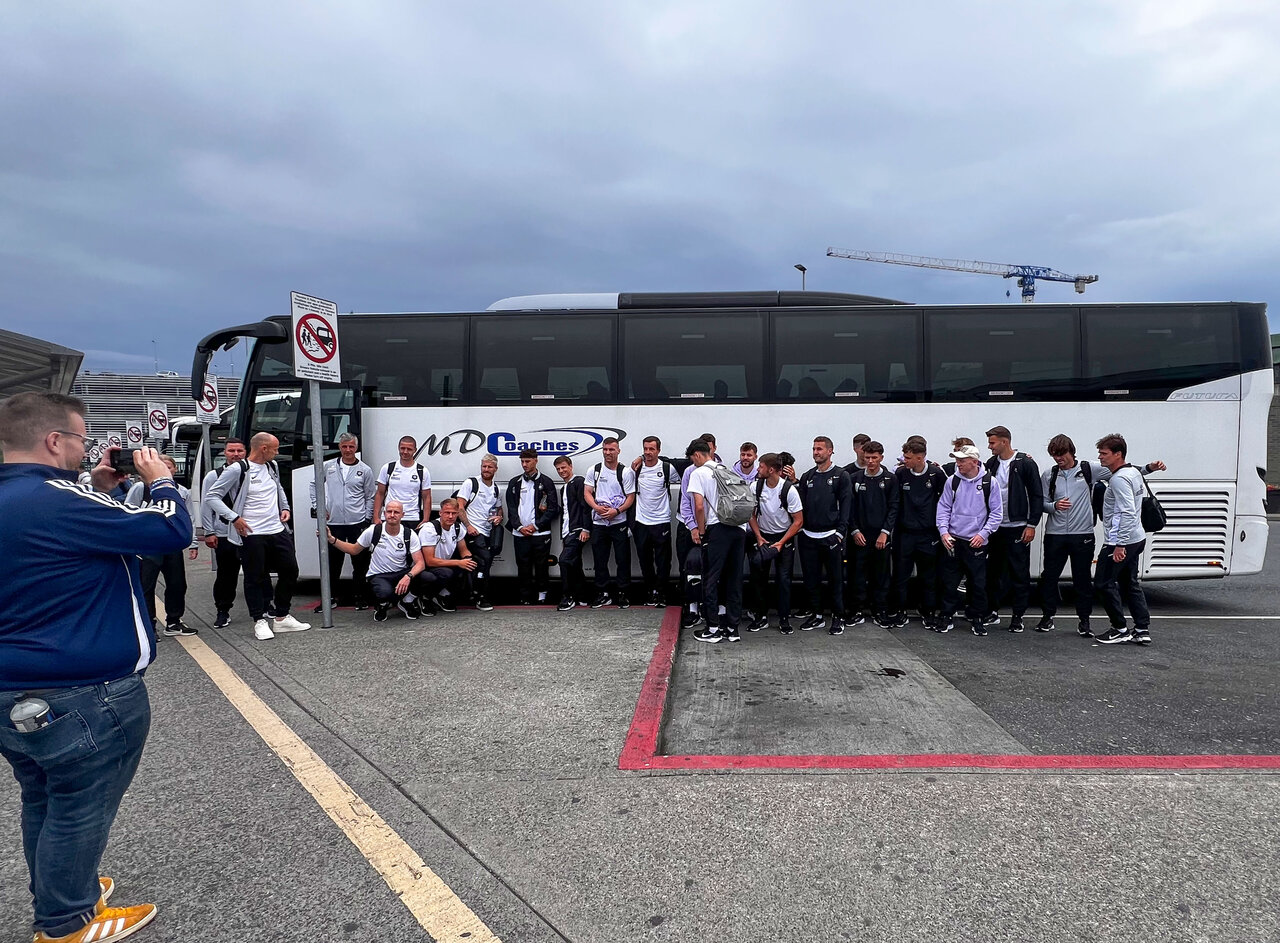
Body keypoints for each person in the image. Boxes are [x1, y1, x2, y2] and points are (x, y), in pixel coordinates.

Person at [0, 391, 192, 942]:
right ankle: (65, 921)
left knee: (43, 796)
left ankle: (63, 890)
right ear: (53, 440)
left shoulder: (31, 499)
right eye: (81, 439)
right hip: (81, 690)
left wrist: (99, 489)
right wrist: (161, 481)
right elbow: (169, 531)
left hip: (13, 687)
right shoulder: (59, 499)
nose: (85, 451)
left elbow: (55, 544)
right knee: (81, 806)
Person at [1038, 434, 1167, 636]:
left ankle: (1085, 621)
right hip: (1055, 533)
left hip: (1083, 533)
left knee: (1083, 580)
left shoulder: (1089, 469)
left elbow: (1127, 470)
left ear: (1071, 452)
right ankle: (1047, 617)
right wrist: (1054, 506)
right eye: (1054, 455)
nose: (1058, 459)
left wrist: (1149, 468)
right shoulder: (1049, 474)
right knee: (1049, 577)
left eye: (1061, 454)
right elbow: (1041, 502)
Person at [204, 432, 311, 641]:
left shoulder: (272, 466)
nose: (277, 453)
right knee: (255, 576)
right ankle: (259, 620)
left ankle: (282, 616)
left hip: (276, 529)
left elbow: (277, 488)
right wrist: (234, 518)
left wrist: (285, 507)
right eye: (275, 449)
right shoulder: (238, 469)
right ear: (264, 448)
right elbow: (212, 497)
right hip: (252, 532)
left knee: (290, 570)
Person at [1092, 434, 1157, 645]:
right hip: (1137, 537)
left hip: (1120, 541)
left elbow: (1128, 512)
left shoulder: (1118, 479)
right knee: (1129, 583)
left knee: (1103, 583)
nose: (1100, 457)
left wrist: (1120, 544)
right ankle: (1141, 629)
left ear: (1118, 454)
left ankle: (1119, 628)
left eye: (1104, 453)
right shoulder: (1132, 472)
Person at [936, 444, 1003, 635]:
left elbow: (996, 513)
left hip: (976, 541)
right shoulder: (952, 481)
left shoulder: (990, 482)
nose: (958, 464)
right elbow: (943, 508)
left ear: (974, 462)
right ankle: (946, 615)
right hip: (954, 539)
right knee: (949, 581)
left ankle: (977, 617)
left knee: (977, 583)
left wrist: (983, 534)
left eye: (962, 460)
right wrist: (944, 532)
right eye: (957, 460)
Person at [983, 425, 1044, 633]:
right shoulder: (991, 463)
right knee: (993, 572)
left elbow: (1036, 495)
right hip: (995, 527)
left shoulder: (1025, 463)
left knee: (1019, 573)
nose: (990, 447)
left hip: (1017, 527)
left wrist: (1032, 524)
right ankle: (992, 611)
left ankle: (1018, 616)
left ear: (1005, 442)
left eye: (992, 443)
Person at [126, 454, 195, 637]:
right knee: (146, 586)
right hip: (148, 546)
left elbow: (189, 517)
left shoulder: (182, 491)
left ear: (175, 469)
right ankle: (149, 625)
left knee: (177, 584)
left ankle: (174, 621)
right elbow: (128, 510)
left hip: (171, 544)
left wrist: (193, 542)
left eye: (169, 467)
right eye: (161, 465)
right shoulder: (141, 487)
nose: (165, 470)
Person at [328, 500, 426, 622]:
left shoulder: (409, 534)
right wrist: (332, 539)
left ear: (403, 515)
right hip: (379, 575)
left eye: (396, 512)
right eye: (389, 511)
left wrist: (408, 576)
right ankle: (382, 604)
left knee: (426, 576)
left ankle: (407, 601)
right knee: (384, 592)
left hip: (400, 573)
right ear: (384, 514)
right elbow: (354, 550)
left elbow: (420, 563)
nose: (392, 515)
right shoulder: (373, 531)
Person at [687, 440, 746, 643]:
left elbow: (699, 506)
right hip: (738, 528)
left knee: (710, 579)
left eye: (693, 459)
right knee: (734, 579)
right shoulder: (726, 470)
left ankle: (712, 628)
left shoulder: (698, 473)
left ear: (697, 455)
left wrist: (702, 532)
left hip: (718, 528)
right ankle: (733, 629)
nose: (693, 463)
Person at [309, 432, 376, 611]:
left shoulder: (365, 470)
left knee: (360, 563)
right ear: (339, 447)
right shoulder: (329, 466)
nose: (348, 450)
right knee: (332, 563)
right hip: (334, 523)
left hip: (357, 523)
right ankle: (329, 598)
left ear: (356, 448)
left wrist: (367, 518)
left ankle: (360, 597)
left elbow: (370, 496)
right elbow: (314, 485)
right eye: (344, 446)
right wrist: (318, 507)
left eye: (351, 447)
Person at [797, 436, 853, 634]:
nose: (816, 452)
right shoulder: (808, 476)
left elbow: (846, 506)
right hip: (808, 536)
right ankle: (817, 615)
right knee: (811, 580)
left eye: (820, 449)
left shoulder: (841, 476)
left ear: (830, 451)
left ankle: (838, 616)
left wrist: (840, 533)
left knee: (835, 580)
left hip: (831, 536)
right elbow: (800, 506)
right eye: (814, 449)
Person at [891, 437, 947, 629]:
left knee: (928, 576)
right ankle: (900, 611)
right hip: (905, 534)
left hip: (928, 534)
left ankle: (929, 611)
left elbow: (945, 501)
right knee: (901, 575)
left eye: (908, 458)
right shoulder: (900, 474)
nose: (904, 460)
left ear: (920, 457)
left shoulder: (936, 474)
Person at [746, 452, 804, 634]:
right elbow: (750, 514)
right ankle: (761, 617)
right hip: (763, 536)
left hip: (784, 538)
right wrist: (758, 536)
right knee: (758, 578)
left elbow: (798, 521)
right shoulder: (755, 486)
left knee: (784, 579)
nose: (758, 469)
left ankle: (784, 619)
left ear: (771, 470)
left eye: (761, 466)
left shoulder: (788, 490)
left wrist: (781, 542)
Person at [848, 441, 900, 628]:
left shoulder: (890, 479)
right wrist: (854, 530)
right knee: (857, 574)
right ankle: (857, 610)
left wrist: (885, 532)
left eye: (874, 458)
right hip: (859, 536)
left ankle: (880, 610)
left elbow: (894, 507)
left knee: (881, 574)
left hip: (881, 537)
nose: (870, 461)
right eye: (867, 457)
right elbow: (849, 507)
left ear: (881, 458)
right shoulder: (854, 478)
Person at [584, 436, 636, 608]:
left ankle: (623, 593)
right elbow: (587, 492)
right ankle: (603, 593)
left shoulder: (625, 472)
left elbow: (631, 497)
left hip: (619, 522)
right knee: (600, 560)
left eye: (611, 449)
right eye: (605, 449)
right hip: (599, 524)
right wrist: (597, 508)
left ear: (618, 451)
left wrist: (617, 511)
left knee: (622, 560)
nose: (608, 453)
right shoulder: (594, 470)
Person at [201, 437, 247, 627]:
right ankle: (223, 610)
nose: (236, 454)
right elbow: (206, 504)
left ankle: (265, 605)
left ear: (245, 452)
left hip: (250, 531)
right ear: (224, 453)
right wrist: (209, 531)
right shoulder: (214, 476)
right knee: (226, 574)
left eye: (239, 451)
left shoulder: (251, 472)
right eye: (231, 451)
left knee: (258, 571)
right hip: (224, 532)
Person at [505, 449, 560, 604]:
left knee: (542, 565)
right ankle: (525, 596)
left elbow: (552, 509)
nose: (524, 464)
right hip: (520, 533)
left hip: (540, 533)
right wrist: (519, 527)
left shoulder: (546, 482)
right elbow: (511, 508)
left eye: (527, 461)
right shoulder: (514, 482)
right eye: (522, 461)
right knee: (523, 565)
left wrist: (536, 526)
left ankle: (542, 594)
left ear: (536, 460)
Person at [632, 436, 680, 606]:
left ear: (658, 450)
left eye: (652, 449)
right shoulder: (636, 469)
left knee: (663, 561)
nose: (648, 452)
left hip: (661, 521)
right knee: (645, 560)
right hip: (641, 522)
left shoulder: (667, 468)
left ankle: (661, 592)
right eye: (645, 449)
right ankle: (650, 590)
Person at [455, 454, 503, 611]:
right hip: (472, 531)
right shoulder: (471, 483)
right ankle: (481, 597)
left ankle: (475, 593)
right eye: (484, 466)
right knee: (484, 561)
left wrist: (499, 517)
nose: (486, 469)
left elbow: (498, 509)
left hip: (487, 532)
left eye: (490, 467)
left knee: (483, 563)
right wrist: (468, 526)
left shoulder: (496, 489)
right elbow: (459, 507)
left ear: (495, 469)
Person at [418, 498, 477, 612]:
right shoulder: (430, 529)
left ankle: (441, 595)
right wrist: (459, 563)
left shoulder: (457, 528)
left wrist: (469, 560)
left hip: (443, 563)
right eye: (447, 513)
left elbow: (464, 550)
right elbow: (429, 561)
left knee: (470, 567)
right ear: (440, 513)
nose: (450, 516)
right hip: (425, 567)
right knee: (446, 573)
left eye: (454, 513)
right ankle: (424, 597)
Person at [553, 455, 592, 611]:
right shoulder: (564, 488)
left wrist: (586, 528)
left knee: (564, 560)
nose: (561, 471)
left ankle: (567, 597)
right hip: (567, 532)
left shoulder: (579, 482)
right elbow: (566, 511)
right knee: (575, 564)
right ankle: (583, 596)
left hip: (577, 530)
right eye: (558, 469)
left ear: (571, 466)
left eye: (563, 467)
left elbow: (585, 506)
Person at [373, 435, 431, 527]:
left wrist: (426, 520)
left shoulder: (422, 471)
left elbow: (427, 497)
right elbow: (380, 493)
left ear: (415, 450)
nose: (405, 452)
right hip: (390, 516)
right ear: (398, 448)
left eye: (409, 449)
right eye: (402, 448)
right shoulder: (388, 468)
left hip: (412, 518)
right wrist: (376, 517)